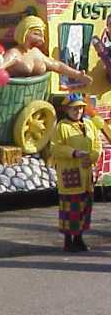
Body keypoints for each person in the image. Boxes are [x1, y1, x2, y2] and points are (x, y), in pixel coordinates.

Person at [50, 93, 101, 252]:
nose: (78, 111)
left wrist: (92, 157)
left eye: (80, 108)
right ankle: (68, 241)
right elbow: (55, 148)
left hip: (86, 174)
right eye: (74, 109)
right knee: (70, 209)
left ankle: (79, 239)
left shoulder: (89, 125)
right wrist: (74, 153)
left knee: (84, 207)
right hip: (71, 174)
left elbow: (96, 144)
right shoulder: (61, 127)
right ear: (67, 110)